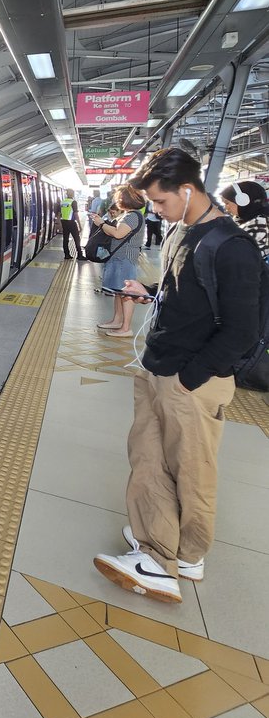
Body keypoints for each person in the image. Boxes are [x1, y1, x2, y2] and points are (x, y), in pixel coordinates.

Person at [93, 148, 262, 604]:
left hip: (191, 380)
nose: (159, 210)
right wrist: (146, 291)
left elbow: (244, 330)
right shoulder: (183, 232)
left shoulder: (233, 248)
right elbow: (179, 291)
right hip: (157, 366)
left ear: (187, 190)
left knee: (191, 468)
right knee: (147, 456)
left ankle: (184, 555)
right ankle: (156, 544)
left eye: (162, 202)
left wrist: (191, 376)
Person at [92, 185, 146, 336]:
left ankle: (126, 328)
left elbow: (118, 234)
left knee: (126, 293)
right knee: (118, 291)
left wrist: (101, 224)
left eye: (119, 197)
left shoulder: (133, 216)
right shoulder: (129, 215)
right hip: (120, 258)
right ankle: (117, 320)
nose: (117, 200)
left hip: (125, 259)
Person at [219, 180, 269, 256]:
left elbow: (236, 256)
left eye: (227, 203)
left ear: (243, 201)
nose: (226, 208)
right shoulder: (251, 219)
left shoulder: (257, 225)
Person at [60, 190, 83, 261]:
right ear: (72, 194)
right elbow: (76, 214)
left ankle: (67, 255)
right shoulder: (73, 202)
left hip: (64, 222)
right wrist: (79, 225)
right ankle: (79, 255)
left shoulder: (62, 201)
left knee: (65, 239)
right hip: (71, 222)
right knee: (76, 238)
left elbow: (60, 213)